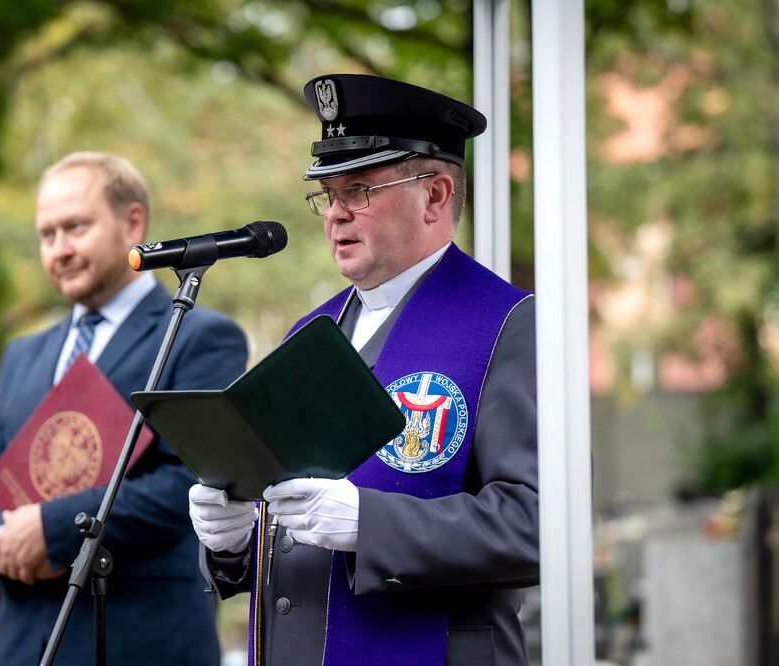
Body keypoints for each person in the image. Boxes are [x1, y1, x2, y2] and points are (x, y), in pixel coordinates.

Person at [190, 74, 539, 665]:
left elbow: (536, 526)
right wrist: (234, 541)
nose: (336, 214)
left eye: (360, 190)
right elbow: (292, 525)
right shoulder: (309, 334)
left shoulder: (509, 324)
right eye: (328, 195)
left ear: (434, 195)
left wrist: (370, 523)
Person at [0, 151, 248, 665]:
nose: (59, 249)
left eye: (76, 227)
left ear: (133, 222)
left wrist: (48, 530)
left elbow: (190, 483)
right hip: (23, 641)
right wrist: (4, 542)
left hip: (137, 638)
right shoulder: (22, 355)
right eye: (47, 235)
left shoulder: (199, 337)